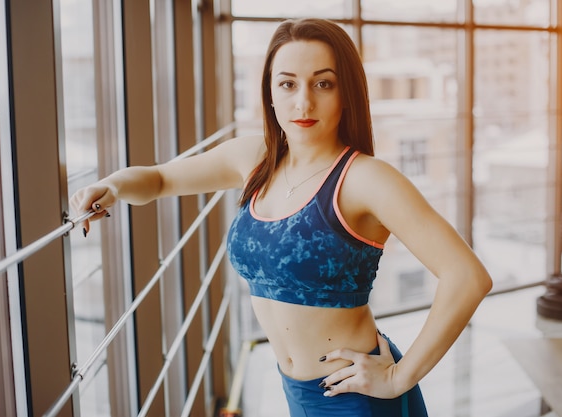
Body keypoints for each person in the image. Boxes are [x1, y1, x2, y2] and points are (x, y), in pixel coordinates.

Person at [71, 18, 493, 417]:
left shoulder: (366, 179)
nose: (303, 101)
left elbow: (467, 276)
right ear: (270, 93)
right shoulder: (256, 159)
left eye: (323, 83)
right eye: (287, 84)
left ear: (346, 92)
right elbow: (161, 180)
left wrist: (399, 377)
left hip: (353, 395)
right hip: (295, 389)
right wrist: (112, 186)